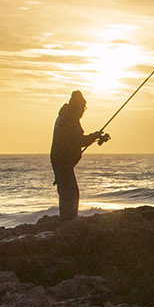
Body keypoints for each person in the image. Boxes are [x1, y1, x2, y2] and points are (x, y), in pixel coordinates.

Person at [49, 90, 109, 219]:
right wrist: (95, 136)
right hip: (62, 161)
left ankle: (66, 219)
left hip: (60, 160)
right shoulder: (69, 118)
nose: (83, 111)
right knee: (71, 193)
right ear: (77, 106)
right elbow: (79, 141)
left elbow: (74, 140)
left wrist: (94, 136)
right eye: (83, 107)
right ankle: (68, 221)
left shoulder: (65, 116)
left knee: (67, 191)